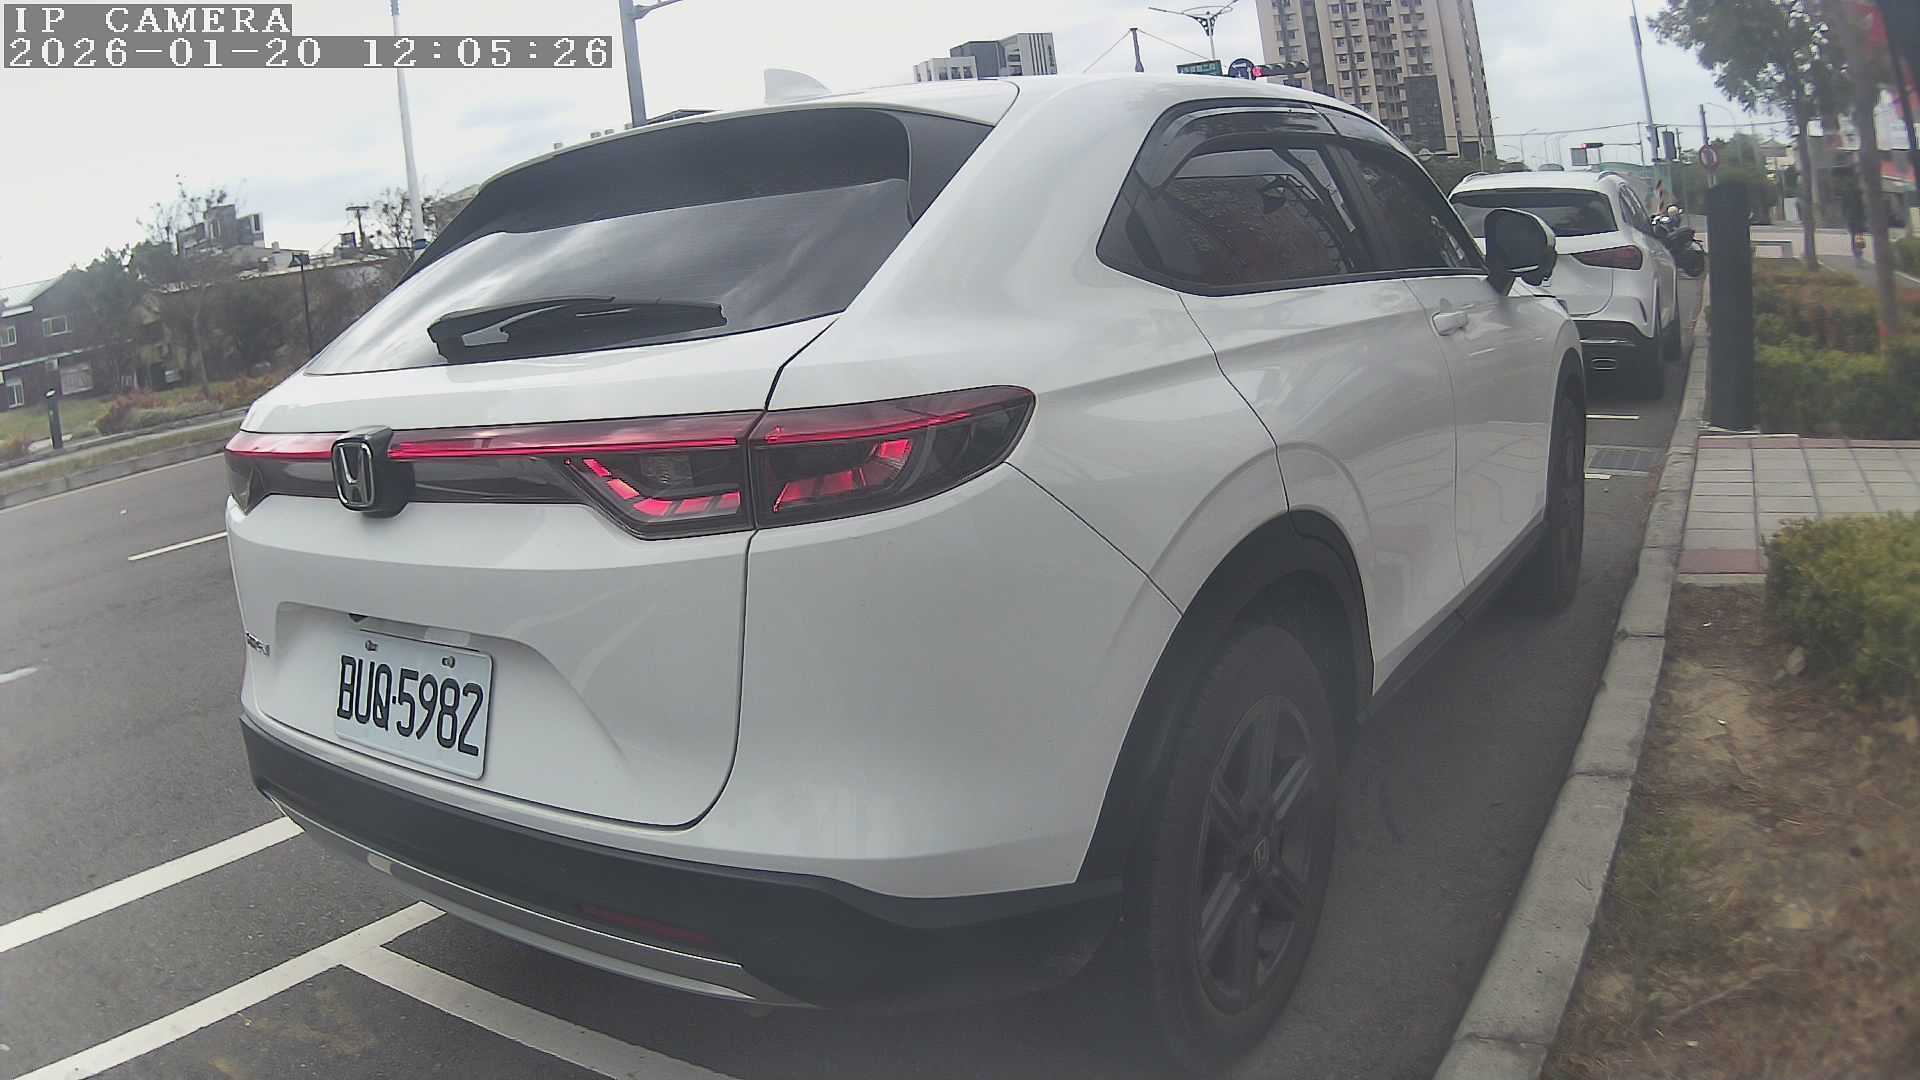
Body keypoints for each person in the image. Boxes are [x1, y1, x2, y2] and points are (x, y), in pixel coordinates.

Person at [1841, 173, 1868, 264]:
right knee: (1859, 235)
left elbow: (1843, 208)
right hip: (1858, 218)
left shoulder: (1845, 194)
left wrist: (1845, 218)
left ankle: (1856, 254)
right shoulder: (1858, 193)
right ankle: (1859, 253)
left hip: (1851, 218)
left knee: (1853, 236)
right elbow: (1862, 207)